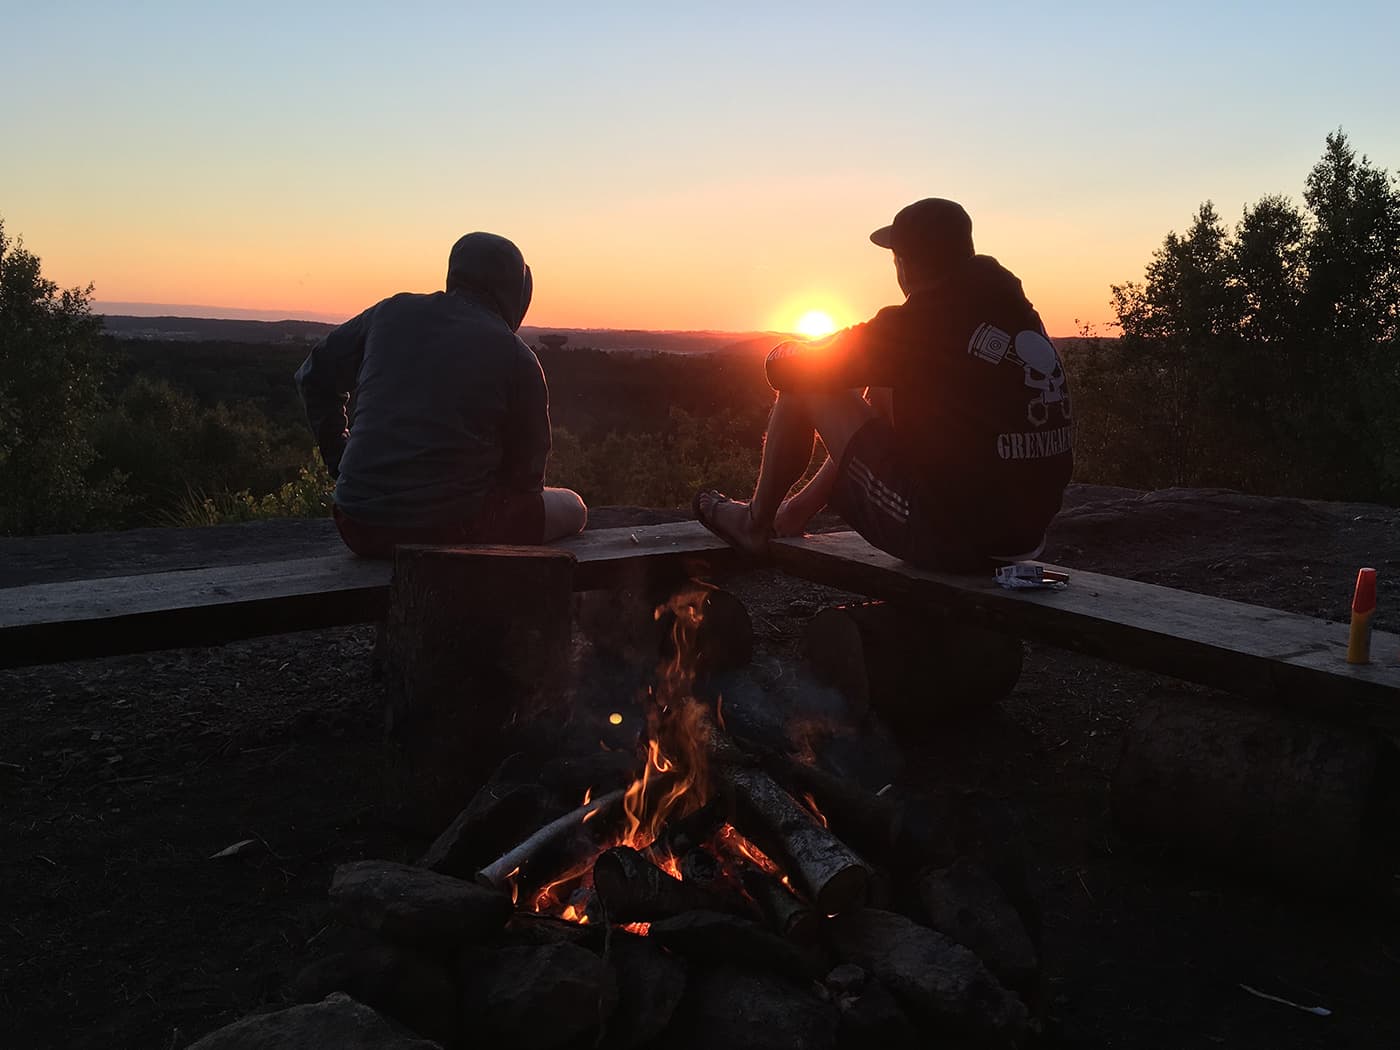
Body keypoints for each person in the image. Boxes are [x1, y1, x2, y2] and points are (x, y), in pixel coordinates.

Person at [694, 198, 1072, 571]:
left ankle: (754, 523)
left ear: (903, 264)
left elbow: (785, 369)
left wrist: (791, 349)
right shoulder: (1013, 309)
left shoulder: (921, 323)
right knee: (885, 388)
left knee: (806, 384)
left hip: (953, 538)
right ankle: (793, 514)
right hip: (1022, 536)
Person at [296, 232, 586, 558]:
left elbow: (313, 376)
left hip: (358, 526)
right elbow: (526, 482)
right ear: (516, 291)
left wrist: (341, 463)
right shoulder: (517, 355)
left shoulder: (389, 313)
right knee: (574, 507)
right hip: (457, 532)